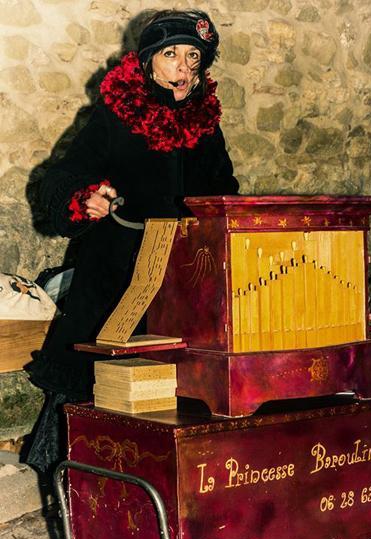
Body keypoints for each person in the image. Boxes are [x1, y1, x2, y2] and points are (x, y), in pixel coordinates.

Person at [25, 9, 239, 472]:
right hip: (116, 270)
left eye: (193, 56)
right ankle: (73, 476)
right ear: (147, 63)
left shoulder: (206, 124)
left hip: (182, 272)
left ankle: (162, 477)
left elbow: (225, 190)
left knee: (177, 380)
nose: (184, 68)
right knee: (98, 378)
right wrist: (86, 197)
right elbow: (59, 178)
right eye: (170, 55)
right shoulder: (114, 118)